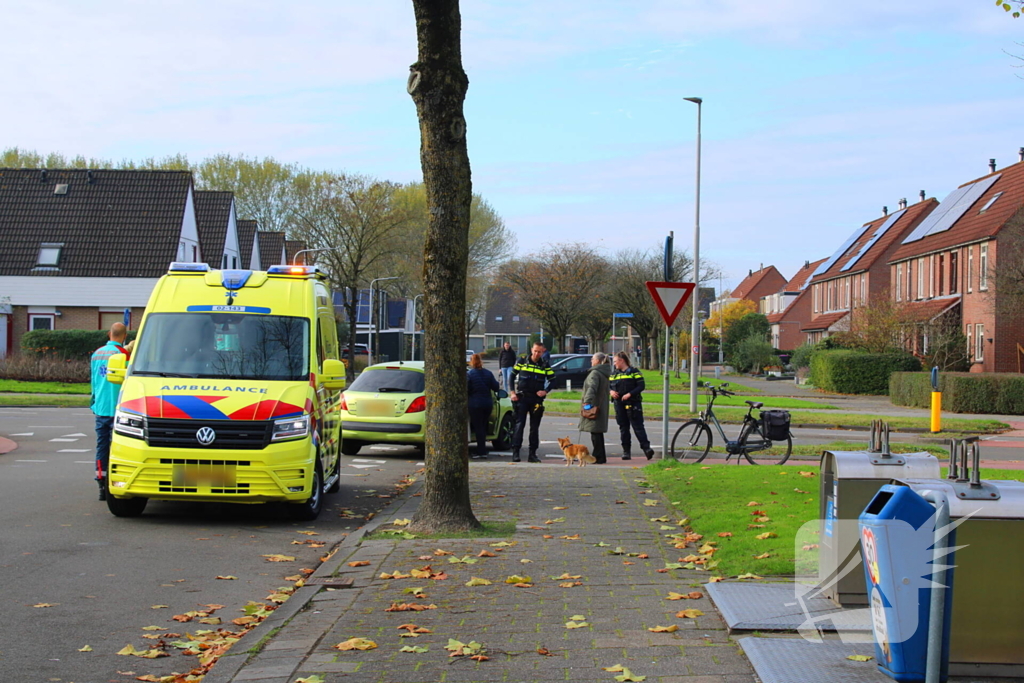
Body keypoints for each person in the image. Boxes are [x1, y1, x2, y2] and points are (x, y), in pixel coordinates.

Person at [91, 322, 130, 501]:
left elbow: (93, 380)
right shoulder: (123, 354)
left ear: (109, 334)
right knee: (119, 448)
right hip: (118, 407)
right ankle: (115, 484)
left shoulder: (96, 354)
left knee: (102, 446)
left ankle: (100, 481)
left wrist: (94, 401)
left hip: (101, 407)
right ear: (124, 336)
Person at [509, 342, 554, 463]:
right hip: (522, 398)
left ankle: (532, 454)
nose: (536, 354)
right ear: (531, 349)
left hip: (536, 399)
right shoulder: (522, 361)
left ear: (542, 352)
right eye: (535, 351)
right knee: (519, 425)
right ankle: (516, 452)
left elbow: (553, 380)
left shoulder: (544, 364)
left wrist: (545, 391)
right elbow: (512, 376)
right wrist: (512, 392)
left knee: (534, 428)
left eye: (539, 352)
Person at [610, 351, 655, 460]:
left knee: (638, 426)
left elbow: (641, 386)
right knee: (623, 428)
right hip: (619, 404)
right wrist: (611, 392)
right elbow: (609, 386)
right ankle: (626, 451)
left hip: (633, 403)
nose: (614, 364)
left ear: (622, 360)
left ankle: (647, 449)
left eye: (615, 361)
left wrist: (630, 394)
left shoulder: (634, 372)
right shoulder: (614, 374)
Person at [578, 352, 611, 464]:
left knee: (595, 432)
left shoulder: (595, 373)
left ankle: (598, 457)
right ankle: (600, 456)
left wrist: (587, 401)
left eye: (592, 359)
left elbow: (592, 388)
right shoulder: (604, 373)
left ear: (597, 361)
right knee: (597, 432)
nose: (591, 361)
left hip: (594, 406)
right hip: (601, 406)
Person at [467, 353, 499, 459]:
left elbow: (466, 389)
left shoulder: (470, 374)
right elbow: (496, 387)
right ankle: (482, 449)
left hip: (475, 404)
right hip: (487, 403)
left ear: (471, 362)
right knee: (483, 426)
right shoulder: (488, 373)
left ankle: (481, 451)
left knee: (478, 427)